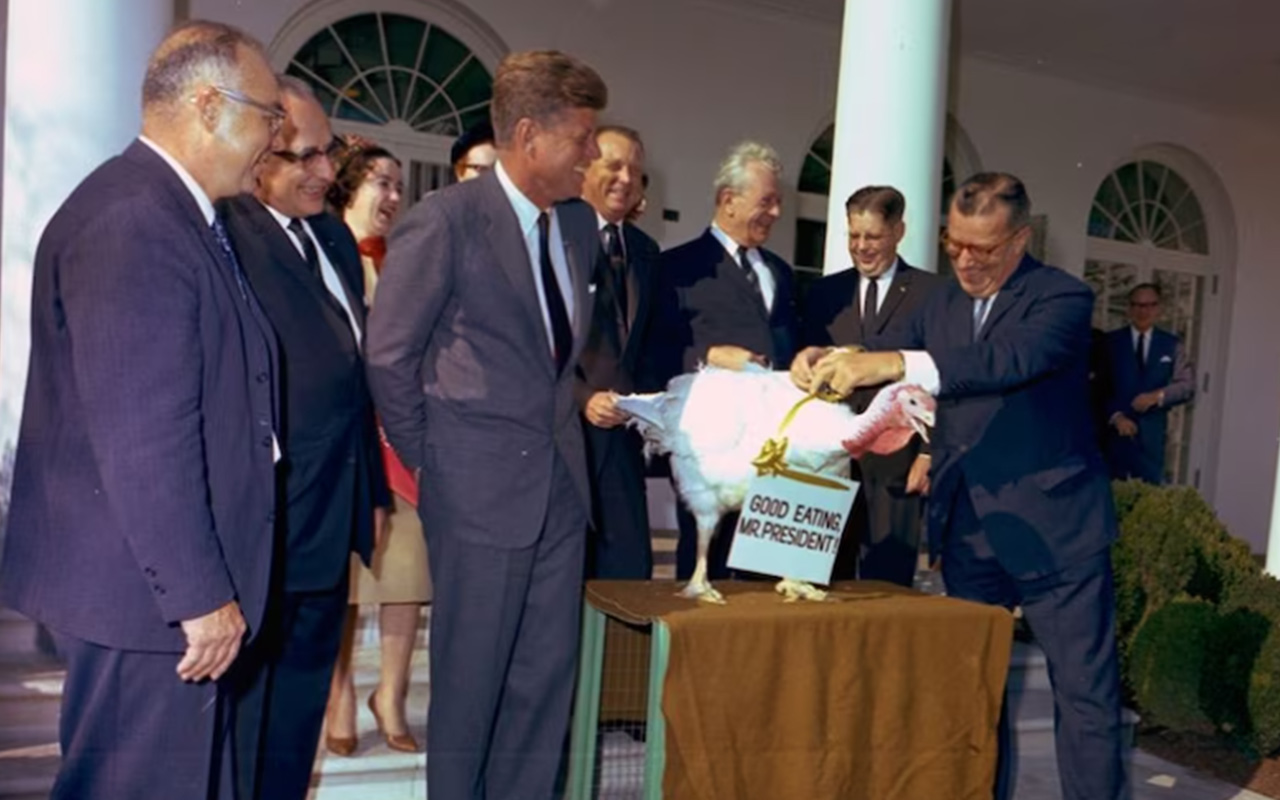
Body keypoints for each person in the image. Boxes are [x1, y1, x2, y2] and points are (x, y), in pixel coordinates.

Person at [0, 21, 280, 800]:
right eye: (268, 115)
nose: (274, 138)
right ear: (207, 106)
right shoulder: (135, 221)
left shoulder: (178, 214)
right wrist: (198, 595)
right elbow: (144, 438)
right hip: (149, 602)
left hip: (152, 596)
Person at [793, 172, 1128, 800]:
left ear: (1021, 239)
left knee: (1085, 701)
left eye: (985, 250)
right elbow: (892, 359)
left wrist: (890, 361)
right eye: (955, 246)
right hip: (969, 529)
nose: (967, 262)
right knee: (974, 702)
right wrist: (825, 359)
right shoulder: (939, 303)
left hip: (1058, 535)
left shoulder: (1062, 299)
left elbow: (1001, 363)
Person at [365, 50, 607, 800]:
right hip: (474, 497)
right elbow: (388, 357)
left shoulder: (577, 228)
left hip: (561, 494)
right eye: (584, 138)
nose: (595, 154)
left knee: (543, 692)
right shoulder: (445, 222)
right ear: (530, 135)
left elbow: (560, 359)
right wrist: (436, 468)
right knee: (471, 695)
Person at [220, 77, 390, 799]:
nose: (327, 172)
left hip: (331, 519)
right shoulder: (223, 233)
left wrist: (373, 491)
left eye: (330, 153)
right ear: (257, 155)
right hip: (265, 528)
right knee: (247, 730)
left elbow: (356, 378)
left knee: (296, 726)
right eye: (306, 156)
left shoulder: (331, 238)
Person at [322, 135, 427, 757]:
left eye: (397, 185)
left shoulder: (406, 260)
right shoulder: (324, 250)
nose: (391, 195)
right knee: (343, 583)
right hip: (344, 444)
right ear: (349, 186)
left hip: (401, 441)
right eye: (379, 182)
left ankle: (389, 693)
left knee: (406, 574)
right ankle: (338, 695)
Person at [656, 140, 798, 582]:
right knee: (707, 573)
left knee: (768, 577)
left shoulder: (782, 271)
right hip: (713, 452)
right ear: (728, 200)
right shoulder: (676, 269)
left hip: (777, 453)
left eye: (779, 203)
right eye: (766, 202)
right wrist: (709, 356)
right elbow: (656, 350)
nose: (775, 213)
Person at [797, 185, 942, 586]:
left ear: (899, 231)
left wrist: (929, 455)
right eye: (853, 236)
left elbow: (942, 378)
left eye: (873, 236)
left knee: (888, 581)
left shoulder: (933, 294)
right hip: (829, 463)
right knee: (822, 577)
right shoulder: (825, 293)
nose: (861, 247)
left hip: (898, 465)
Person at [576, 125, 661, 580]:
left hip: (625, 443)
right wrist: (581, 398)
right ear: (584, 168)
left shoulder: (646, 251)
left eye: (635, 170)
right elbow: (533, 344)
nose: (625, 178)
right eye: (613, 165)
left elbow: (646, 344)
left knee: (627, 575)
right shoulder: (556, 238)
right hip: (565, 441)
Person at [1104, 283, 1194, 483]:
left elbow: (1186, 386)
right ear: (1129, 308)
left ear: (1159, 309)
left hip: (1152, 443)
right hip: (1113, 441)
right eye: (1137, 305)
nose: (1143, 311)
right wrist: (1116, 416)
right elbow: (1097, 389)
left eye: (1150, 305)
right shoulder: (1110, 342)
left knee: (1148, 502)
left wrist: (1156, 396)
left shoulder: (1171, 344)